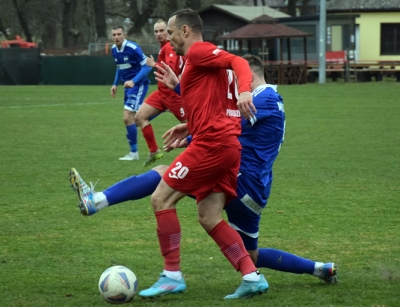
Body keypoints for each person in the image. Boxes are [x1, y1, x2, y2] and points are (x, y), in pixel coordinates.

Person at [69, 54, 337, 299]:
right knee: (249, 255)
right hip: (255, 188)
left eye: (234, 77)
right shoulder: (270, 101)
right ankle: (318, 269)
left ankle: (99, 202)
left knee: (164, 177)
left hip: (239, 178)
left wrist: (178, 90)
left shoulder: (262, 97)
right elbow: (224, 122)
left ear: (249, 76)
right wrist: (189, 134)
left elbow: (221, 120)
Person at [135, 19, 187, 167]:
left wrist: (153, 64)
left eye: (162, 31)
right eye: (156, 31)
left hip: (174, 95)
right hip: (161, 93)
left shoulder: (170, 47)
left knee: (193, 127)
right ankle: (154, 151)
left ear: (168, 31)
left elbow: (168, 70)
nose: (159, 34)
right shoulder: (164, 46)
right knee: (139, 117)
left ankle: (202, 154)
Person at [110, 25, 152, 161]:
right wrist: (115, 83)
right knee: (135, 118)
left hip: (138, 85)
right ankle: (160, 109)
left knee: (128, 116)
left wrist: (134, 81)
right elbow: (119, 67)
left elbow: (147, 67)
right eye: (114, 35)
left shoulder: (133, 48)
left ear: (124, 35)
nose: (116, 37)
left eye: (119, 34)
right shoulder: (113, 50)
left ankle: (134, 153)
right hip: (128, 87)